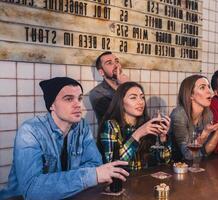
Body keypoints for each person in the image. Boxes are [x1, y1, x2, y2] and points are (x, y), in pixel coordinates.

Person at [0, 77, 129, 200]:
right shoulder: (30, 131)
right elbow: (32, 190)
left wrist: (58, 183)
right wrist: (91, 175)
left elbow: (94, 164)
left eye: (79, 98)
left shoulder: (81, 126)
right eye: (68, 99)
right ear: (52, 105)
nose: (78, 104)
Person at [98, 82, 171, 171]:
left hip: (145, 180)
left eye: (142, 97)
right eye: (133, 98)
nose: (140, 102)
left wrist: (162, 138)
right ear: (121, 102)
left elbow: (164, 161)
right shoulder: (111, 126)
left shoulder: (147, 124)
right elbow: (112, 166)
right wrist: (138, 134)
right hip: (122, 183)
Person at [169, 75, 218, 162]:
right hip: (171, 167)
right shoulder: (179, 115)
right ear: (191, 95)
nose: (209, 92)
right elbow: (188, 155)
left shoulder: (208, 114)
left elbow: (205, 152)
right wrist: (205, 134)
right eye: (202, 88)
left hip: (193, 165)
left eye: (208, 87)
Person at [89, 51, 129, 122]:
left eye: (117, 61)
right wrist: (125, 88)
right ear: (101, 72)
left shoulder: (128, 85)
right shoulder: (96, 93)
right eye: (109, 63)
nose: (116, 66)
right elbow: (116, 117)